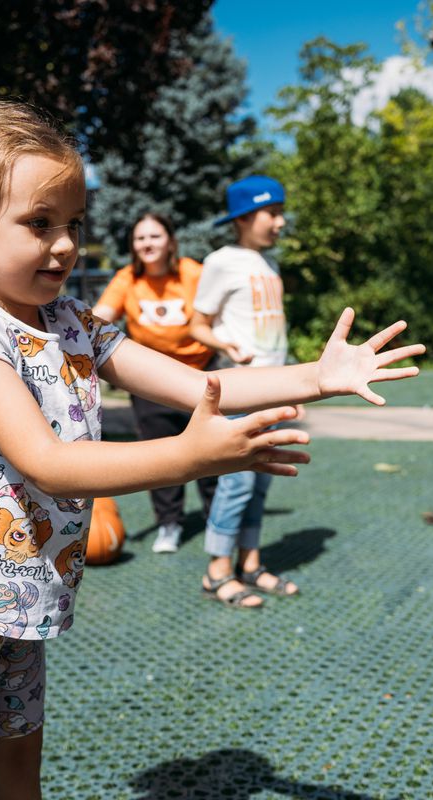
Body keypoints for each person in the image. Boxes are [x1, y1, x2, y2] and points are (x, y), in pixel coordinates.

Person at [0, 97, 424, 800]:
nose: (65, 244)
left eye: (72, 223)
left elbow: (199, 384)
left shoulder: (71, 320)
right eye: (39, 224)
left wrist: (317, 376)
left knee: (18, 773)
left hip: (17, 606)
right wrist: (189, 459)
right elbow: (47, 460)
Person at [189, 175, 299, 609]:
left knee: (261, 484)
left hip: (276, 390)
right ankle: (217, 572)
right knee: (236, 483)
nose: (280, 222)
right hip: (239, 390)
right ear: (244, 218)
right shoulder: (221, 261)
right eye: (272, 213)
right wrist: (225, 344)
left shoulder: (269, 264)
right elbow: (198, 324)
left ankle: (251, 564)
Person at [91, 213, 216, 553]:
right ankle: (169, 524)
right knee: (162, 454)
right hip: (152, 379)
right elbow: (99, 317)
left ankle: (216, 519)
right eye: (140, 238)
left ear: (171, 241)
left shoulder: (194, 274)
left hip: (201, 376)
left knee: (211, 451)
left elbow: (220, 310)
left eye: (155, 236)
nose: (147, 244)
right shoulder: (128, 278)